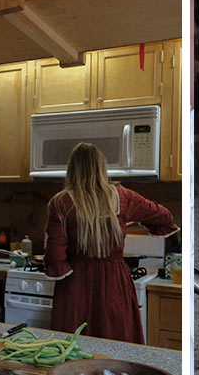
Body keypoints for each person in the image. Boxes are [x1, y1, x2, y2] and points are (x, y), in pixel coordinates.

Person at [44, 143, 178, 344]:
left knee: (73, 350)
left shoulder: (60, 203)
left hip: (75, 284)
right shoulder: (123, 197)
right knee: (116, 345)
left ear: (71, 169)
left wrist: (60, 266)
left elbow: (55, 256)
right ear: (102, 167)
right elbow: (164, 216)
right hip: (114, 283)